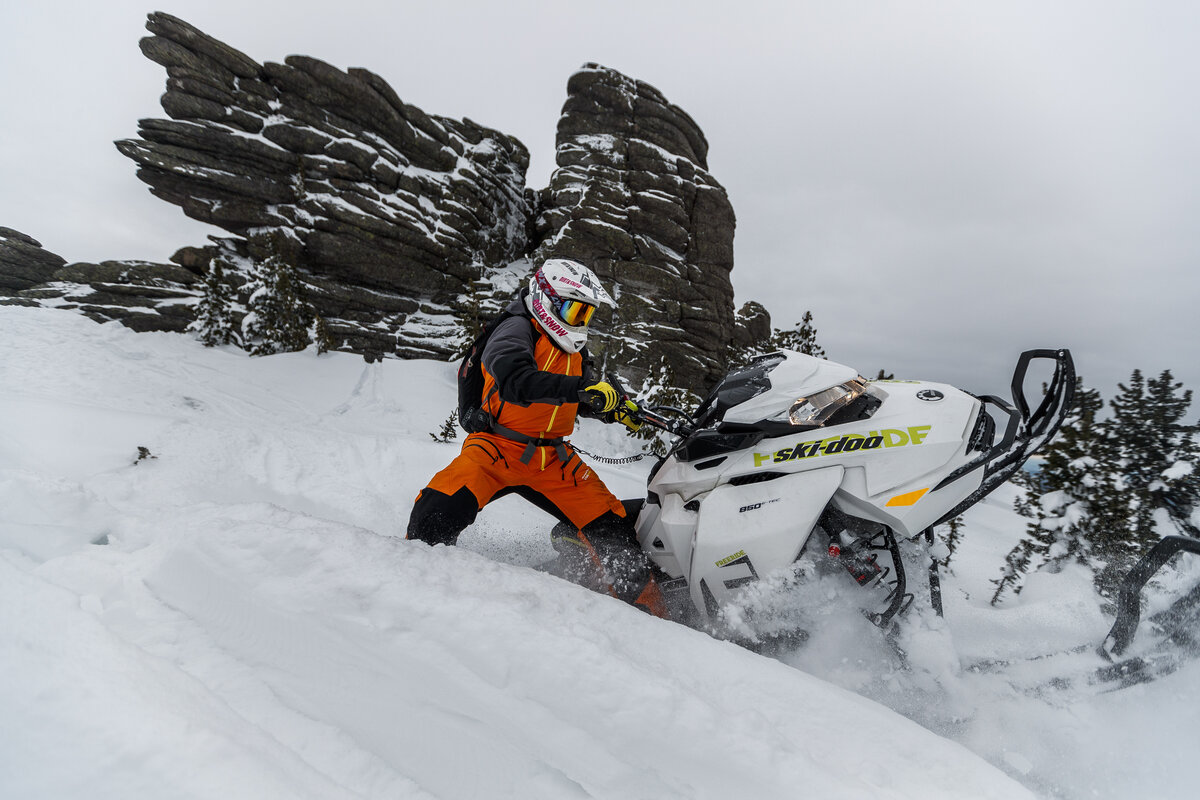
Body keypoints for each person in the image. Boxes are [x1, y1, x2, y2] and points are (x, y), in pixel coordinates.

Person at [407, 258, 667, 616]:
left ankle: (652, 620)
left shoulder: (574, 347)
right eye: (575, 311)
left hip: (554, 460)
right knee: (437, 511)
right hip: (496, 448)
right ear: (546, 299)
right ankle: (408, 585)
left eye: (586, 315)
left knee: (614, 529)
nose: (580, 322)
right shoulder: (515, 329)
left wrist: (611, 408)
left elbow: (577, 395)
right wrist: (582, 389)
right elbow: (517, 382)